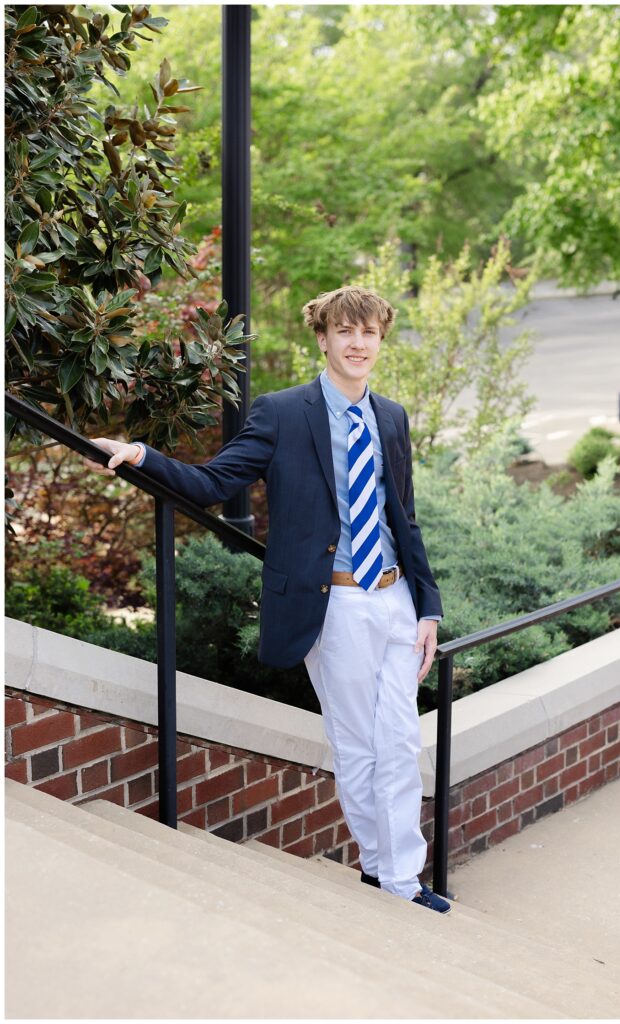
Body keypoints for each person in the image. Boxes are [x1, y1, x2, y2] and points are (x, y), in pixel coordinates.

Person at [88, 285, 451, 914]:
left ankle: (402, 877)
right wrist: (142, 456)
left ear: (380, 340)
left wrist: (428, 607)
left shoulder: (391, 417)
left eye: (368, 332)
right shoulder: (282, 412)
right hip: (334, 605)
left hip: (394, 598)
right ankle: (382, 869)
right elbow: (214, 481)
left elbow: (405, 518)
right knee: (358, 744)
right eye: (345, 331)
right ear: (323, 338)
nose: (357, 343)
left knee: (399, 741)